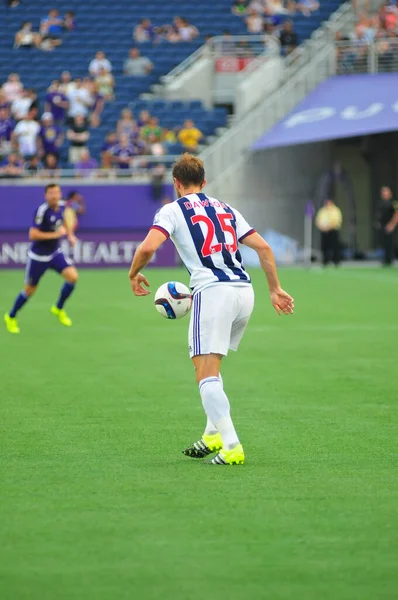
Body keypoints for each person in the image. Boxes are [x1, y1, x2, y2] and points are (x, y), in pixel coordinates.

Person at [128, 153, 294, 466]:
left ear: (176, 184)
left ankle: (231, 445)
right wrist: (275, 288)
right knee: (207, 366)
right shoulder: (226, 208)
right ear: (204, 183)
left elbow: (149, 247)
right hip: (245, 292)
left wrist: (133, 273)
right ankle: (212, 433)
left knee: (205, 373)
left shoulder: (172, 209)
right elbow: (264, 248)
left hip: (213, 292)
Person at [4, 183, 78, 334]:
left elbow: (65, 220)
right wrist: (56, 235)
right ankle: (11, 316)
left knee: (72, 277)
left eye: (56, 192)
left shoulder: (62, 206)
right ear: (46, 196)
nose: (54, 195)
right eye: (51, 193)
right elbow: (33, 234)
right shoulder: (41, 211)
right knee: (29, 291)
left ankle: (58, 308)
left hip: (54, 253)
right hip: (38, 257)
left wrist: (70, 235)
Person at [315, 199, 343, 266]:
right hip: (324, 231)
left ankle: (336, 261)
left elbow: (337, 221)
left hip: (333, 231)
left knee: (334, 246)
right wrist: (322, 227)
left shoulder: (335, 210)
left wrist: (329, 227)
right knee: (324, 247)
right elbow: (318, 220)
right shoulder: (322, 211)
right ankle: (325, 261)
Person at [376, 186, 398, 266]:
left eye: (386, 193)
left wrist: (392, 224)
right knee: (384, 243)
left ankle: (390, 259)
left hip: (390, 226)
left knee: (390, 243)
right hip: (383, 226)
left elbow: (396, 214)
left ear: (390, 194)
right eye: (383, 193)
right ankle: (385, 259)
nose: (384, 194)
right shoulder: (381, 203)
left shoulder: (394, 203)